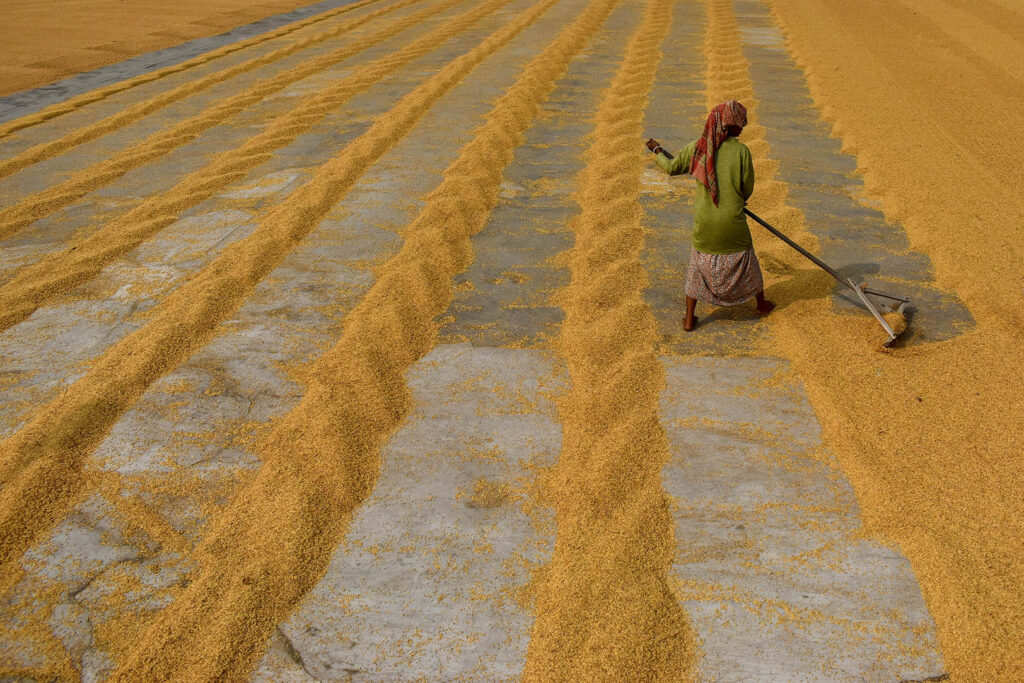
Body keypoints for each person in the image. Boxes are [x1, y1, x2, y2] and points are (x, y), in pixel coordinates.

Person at [647, 100, 774, 331]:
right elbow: (747, 188)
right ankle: (762, 305)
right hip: (733, 225)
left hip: (704, 227)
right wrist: (738, 199)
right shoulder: (742, 152)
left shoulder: (698, 147)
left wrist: (657, 151)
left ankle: (689, 319)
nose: (742, 128)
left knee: (696, 268)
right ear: (727, 125)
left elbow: (672, 168)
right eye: (739, 124)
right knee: (749, 264)